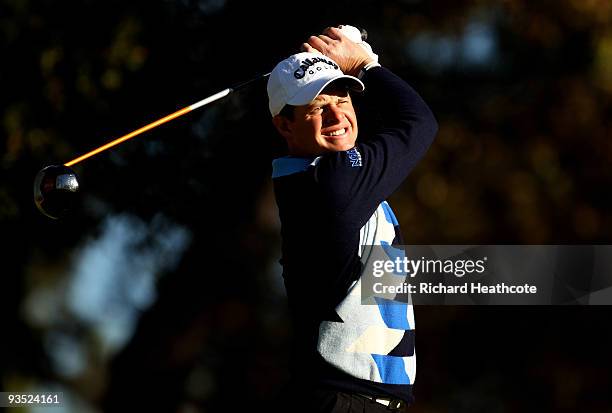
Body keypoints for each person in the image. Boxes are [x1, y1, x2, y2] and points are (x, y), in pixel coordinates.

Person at [267, 25, 438, 412]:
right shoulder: (331, 186)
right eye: (316, 106)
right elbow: (418, 123)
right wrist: (364, 62)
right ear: (284, 124)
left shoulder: (318, 178)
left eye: (342, 97)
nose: (336, 115)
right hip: (336, 401)